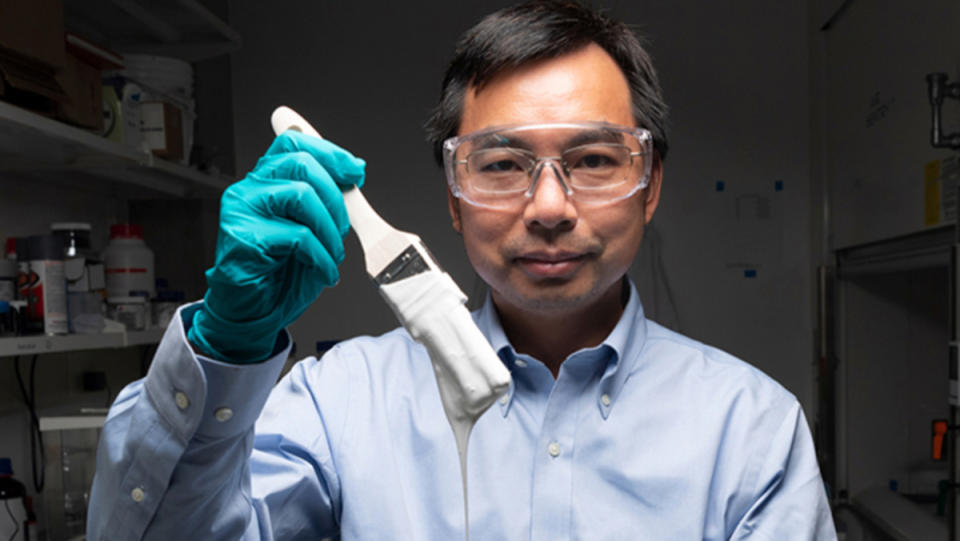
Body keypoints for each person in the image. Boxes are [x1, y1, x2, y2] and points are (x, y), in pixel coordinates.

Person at [87, 1, 836, 539]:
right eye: (503, 163)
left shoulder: (751, 431)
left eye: (596, 160)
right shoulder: (334, 406)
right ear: (453, 194)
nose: (548, 205)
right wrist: (226, 352)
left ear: (652, 185)